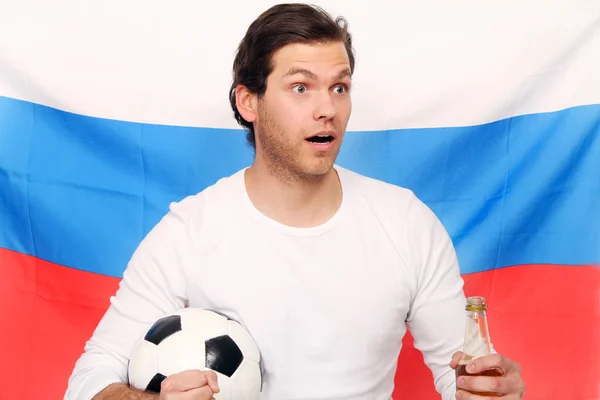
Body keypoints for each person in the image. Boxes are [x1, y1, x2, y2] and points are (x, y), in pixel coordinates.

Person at [65, 3, 526, 400]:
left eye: (339, 87)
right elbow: (87, 382)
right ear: (249, 101)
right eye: (301, 87)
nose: (327, 108)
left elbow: (459, 376)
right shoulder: (189, 232)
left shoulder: (406, 222)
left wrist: (488, 389)